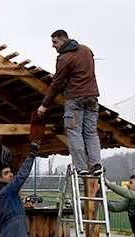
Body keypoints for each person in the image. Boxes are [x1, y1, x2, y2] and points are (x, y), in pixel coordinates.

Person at [36, 30, 102, 177]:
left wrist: (44, 104)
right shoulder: (86, 49)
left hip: (75, 99)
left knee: (74, 132)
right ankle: (97, 164)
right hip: (92, 97)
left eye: (55, 42)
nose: (53, 46)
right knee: (91, 132)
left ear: (63, 40)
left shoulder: (64, 58)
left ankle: (81, 168)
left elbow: (57, 83)